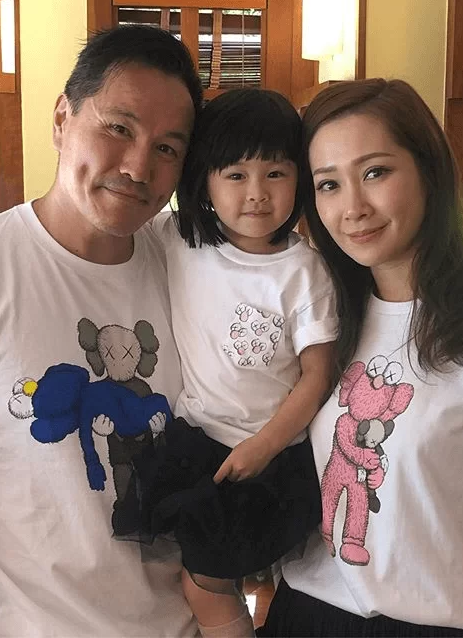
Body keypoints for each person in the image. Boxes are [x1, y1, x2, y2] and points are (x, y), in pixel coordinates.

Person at [0, 25, 203, 636]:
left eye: (167, 149)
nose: (137, 167)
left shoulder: (186, 266)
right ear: (62, 118)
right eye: (118, 128)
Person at [258, 79, 463, 637]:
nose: (353, 208)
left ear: (428, 170)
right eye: (328, 184)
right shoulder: (323, 317)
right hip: (308, 614)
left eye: (375, 172)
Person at [135, 88, 338, 637]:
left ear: (299, 178)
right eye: (235, 175)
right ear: (204, 179)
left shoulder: (304, 271)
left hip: (274, 459)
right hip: (199, 448)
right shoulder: (180, 239)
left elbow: (318, 375)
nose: (257, 193)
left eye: (275, 174)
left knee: (210, 583)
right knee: (200, 580)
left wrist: (264, 445)